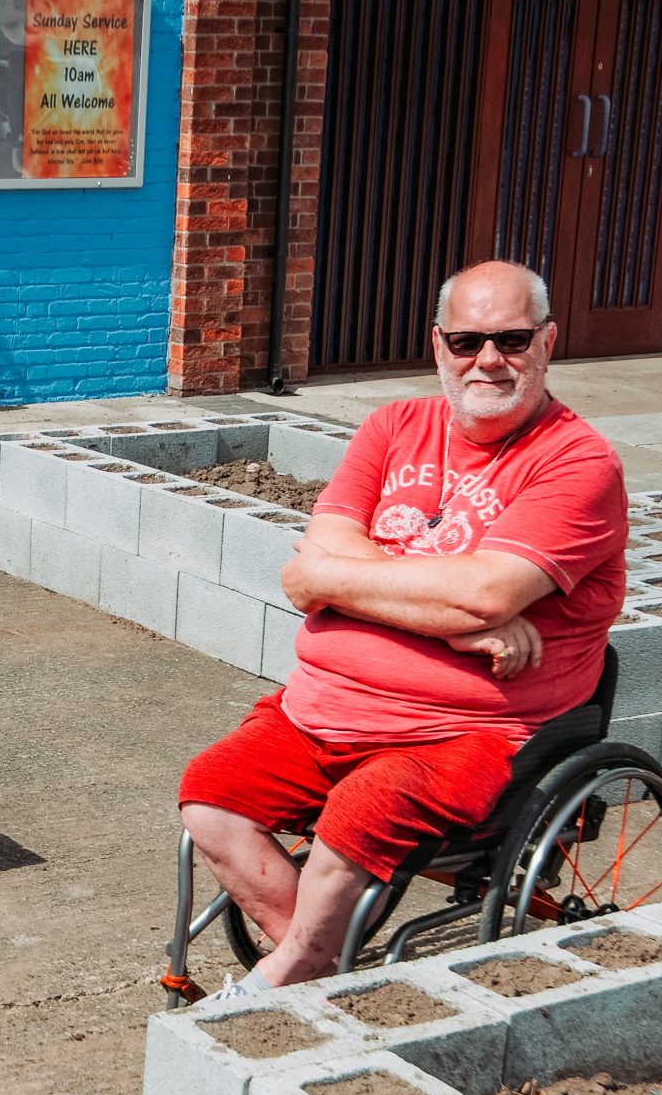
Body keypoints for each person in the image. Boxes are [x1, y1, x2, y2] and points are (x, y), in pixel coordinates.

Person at [175, 258, 629, 1000]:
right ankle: (321, 958)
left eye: (512, 340)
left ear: (548, 343)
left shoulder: (578, 462)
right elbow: (316, 563)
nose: (488, 360)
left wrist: (357, 584)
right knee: (211, 796)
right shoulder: (394, 427)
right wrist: (453, 626)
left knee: (357, 818)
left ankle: (282, 983)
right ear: (437, 344)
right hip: (320, 711)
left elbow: (482, 592)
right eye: (466, 341)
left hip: (467, 733)